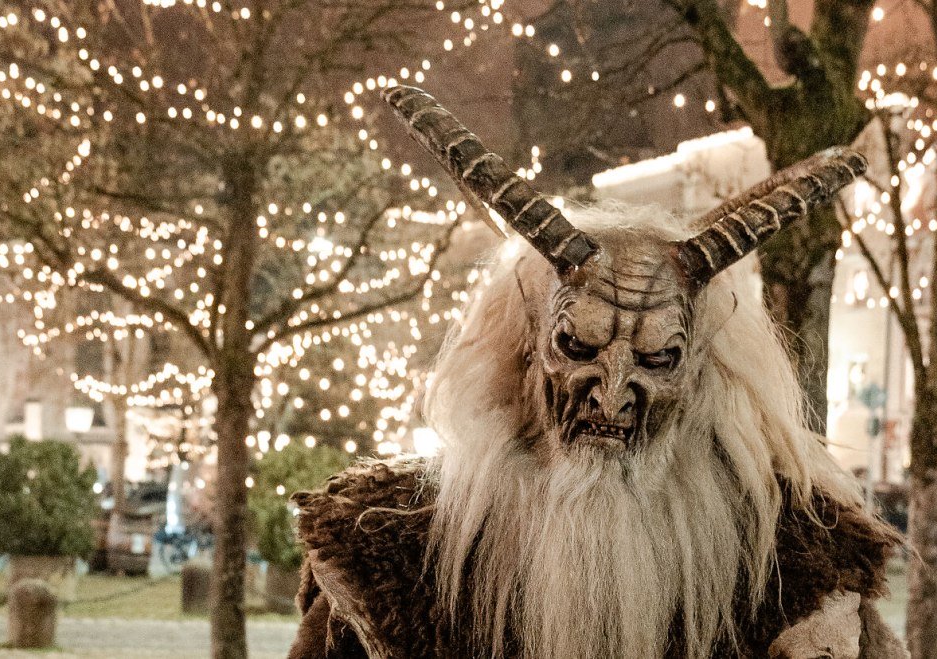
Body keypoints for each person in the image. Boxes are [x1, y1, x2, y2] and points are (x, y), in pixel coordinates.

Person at [288, 86, 905, 658]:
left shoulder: (803, 575)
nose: (611, 395)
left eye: (656, 359)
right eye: (577, 347)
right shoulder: (385, 550)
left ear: (699, 372)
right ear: (527, 347)